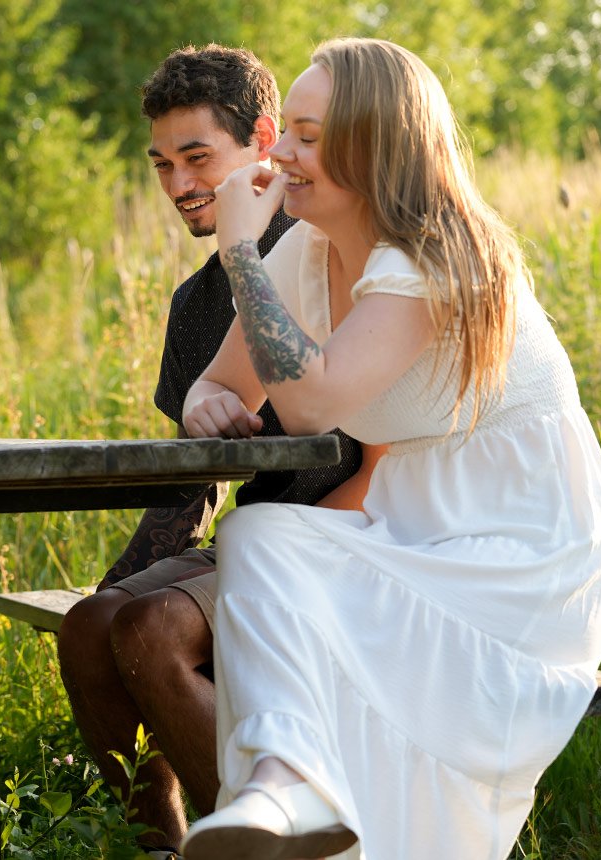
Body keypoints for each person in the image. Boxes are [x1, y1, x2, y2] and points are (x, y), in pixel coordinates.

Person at [177, 38, 601, 860]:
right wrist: (207, 406)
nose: (279, 153)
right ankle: (285, 783)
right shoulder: (306, 250)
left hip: (523, 553)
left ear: (376, 145)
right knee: (261, 537)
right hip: (411, 528)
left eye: (307, 136)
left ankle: (290, 789)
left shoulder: (438, 257)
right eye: (287, 134)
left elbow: (307, 404)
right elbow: (221, 384)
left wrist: (237, 248)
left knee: (264, 543)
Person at [56, 44, 375, 857]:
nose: (179, 185)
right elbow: (191, 486)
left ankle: (259, 841)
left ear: (265, 139)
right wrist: (110, 590)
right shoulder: (195, 304)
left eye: (197, 156)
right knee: (93, 625)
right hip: (262, 528)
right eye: (162, 164)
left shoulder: (322, 253)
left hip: (350, 536)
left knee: (151, 629)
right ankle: (164, 848)